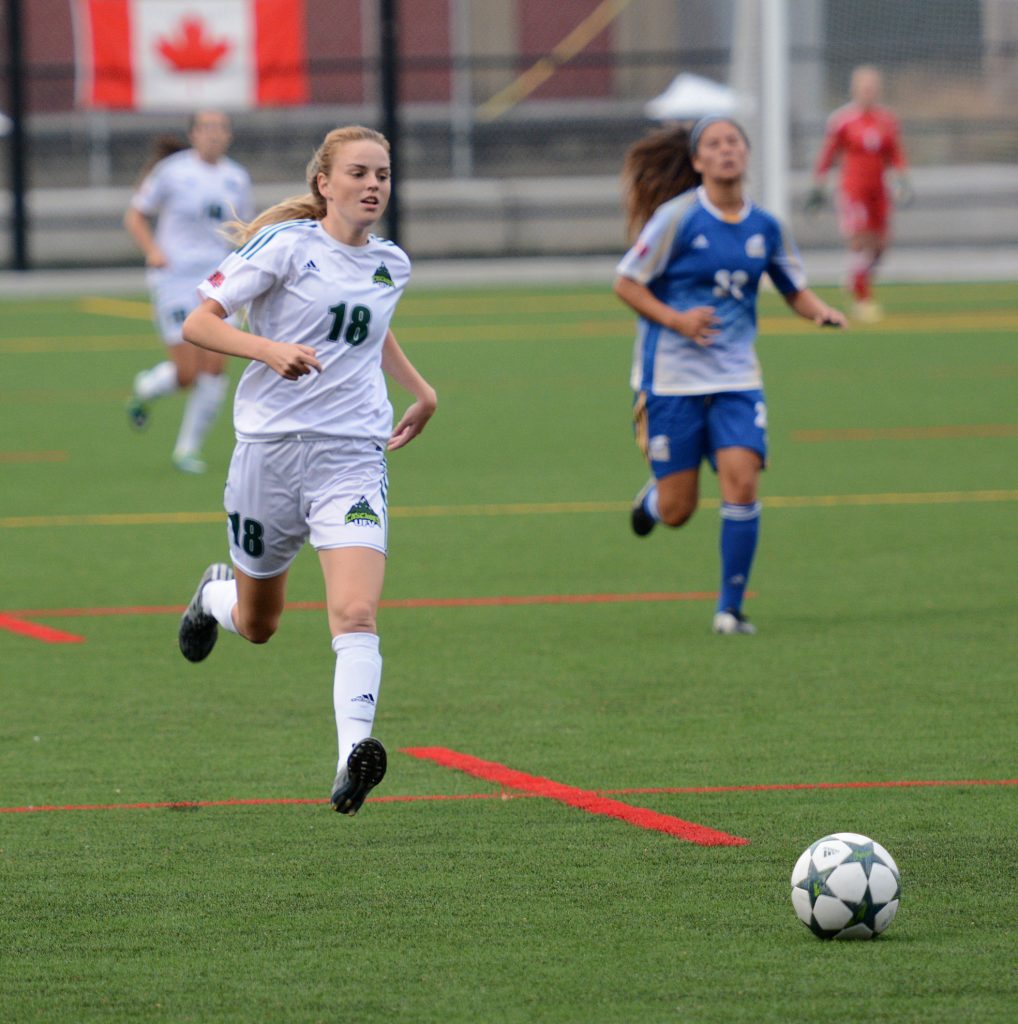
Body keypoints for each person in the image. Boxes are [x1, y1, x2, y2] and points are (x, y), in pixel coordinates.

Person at [177, 125, 437, 815]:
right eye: (359, 172)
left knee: (356, 611)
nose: (374, 184)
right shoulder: (286, 247)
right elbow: (199, 324)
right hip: (269, 456)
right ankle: (212, 597)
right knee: (259, 624)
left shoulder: (393, 263)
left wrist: (421, 388)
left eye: (383, 173)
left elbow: (367, 329)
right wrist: (267, 350)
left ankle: (354, 753)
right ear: (325, 182)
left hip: (353, 456)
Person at [614, 116, 846, 635]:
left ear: (746, 153)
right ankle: (651, 501)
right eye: (714, 145)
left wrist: (819, 311)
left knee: (742, 482)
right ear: (697, 161)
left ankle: (730, 610)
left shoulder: (766, 226)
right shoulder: (676, 219)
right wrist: (677, 320)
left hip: (737, 378)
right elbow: (627, 283)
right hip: (671, 380)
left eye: (733, 142)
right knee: (678, 510)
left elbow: (792, 286)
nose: (725, 151)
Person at [124, 110, 254, 473]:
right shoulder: (172, 171)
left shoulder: (236, 177)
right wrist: (153, 251)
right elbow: (135, 215)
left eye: (221, 128)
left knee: (214, 366)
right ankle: (148, 387)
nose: (214, 134)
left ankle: (187, 450)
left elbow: (244, 230)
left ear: (228, 135)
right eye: (207, 128)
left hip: (217, 282)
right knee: (187, 373)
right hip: (175, 280)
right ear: (194, 134)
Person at [806, 66, 911, 324]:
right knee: (859, 240)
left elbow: (895, 154)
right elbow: (828, 154)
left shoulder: (887, 120)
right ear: (855, 90)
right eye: (864, 87)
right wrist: (819, 186)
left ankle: (856, 278)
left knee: (881, 246)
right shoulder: (842, 120)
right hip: (853, 190)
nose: (869, 92)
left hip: (878, 191)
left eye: (873, 87)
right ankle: (862, 299)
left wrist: (901, 179)